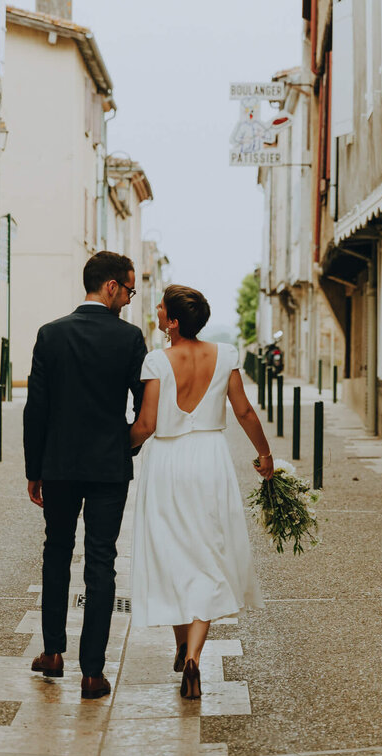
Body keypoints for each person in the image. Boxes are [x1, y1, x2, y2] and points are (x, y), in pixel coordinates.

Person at [129, 284, 273, 700]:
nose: (155, 310)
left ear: (173, 321)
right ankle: (192, 656)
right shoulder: (225, 354)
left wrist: (118, 448)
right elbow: (243, 410)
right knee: (209, 554)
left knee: (172, 553)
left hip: (168, 464)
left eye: (160, 307)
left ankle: (179, 644)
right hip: (211, 461)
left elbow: (147, 424)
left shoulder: (156, 360)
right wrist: (264, 454)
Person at [23, 251, 147, 700]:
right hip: (109, 468)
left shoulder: (51, 335)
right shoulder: (131, 339)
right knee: (101, 561)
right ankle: (92, 672)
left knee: (56, 552)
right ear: (111, 286)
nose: (129, 300)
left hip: (57, 466)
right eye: (129, 290)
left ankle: (52, 652)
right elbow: (144, 407)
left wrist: (33, 468)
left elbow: (36, 408)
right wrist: (125, 443)